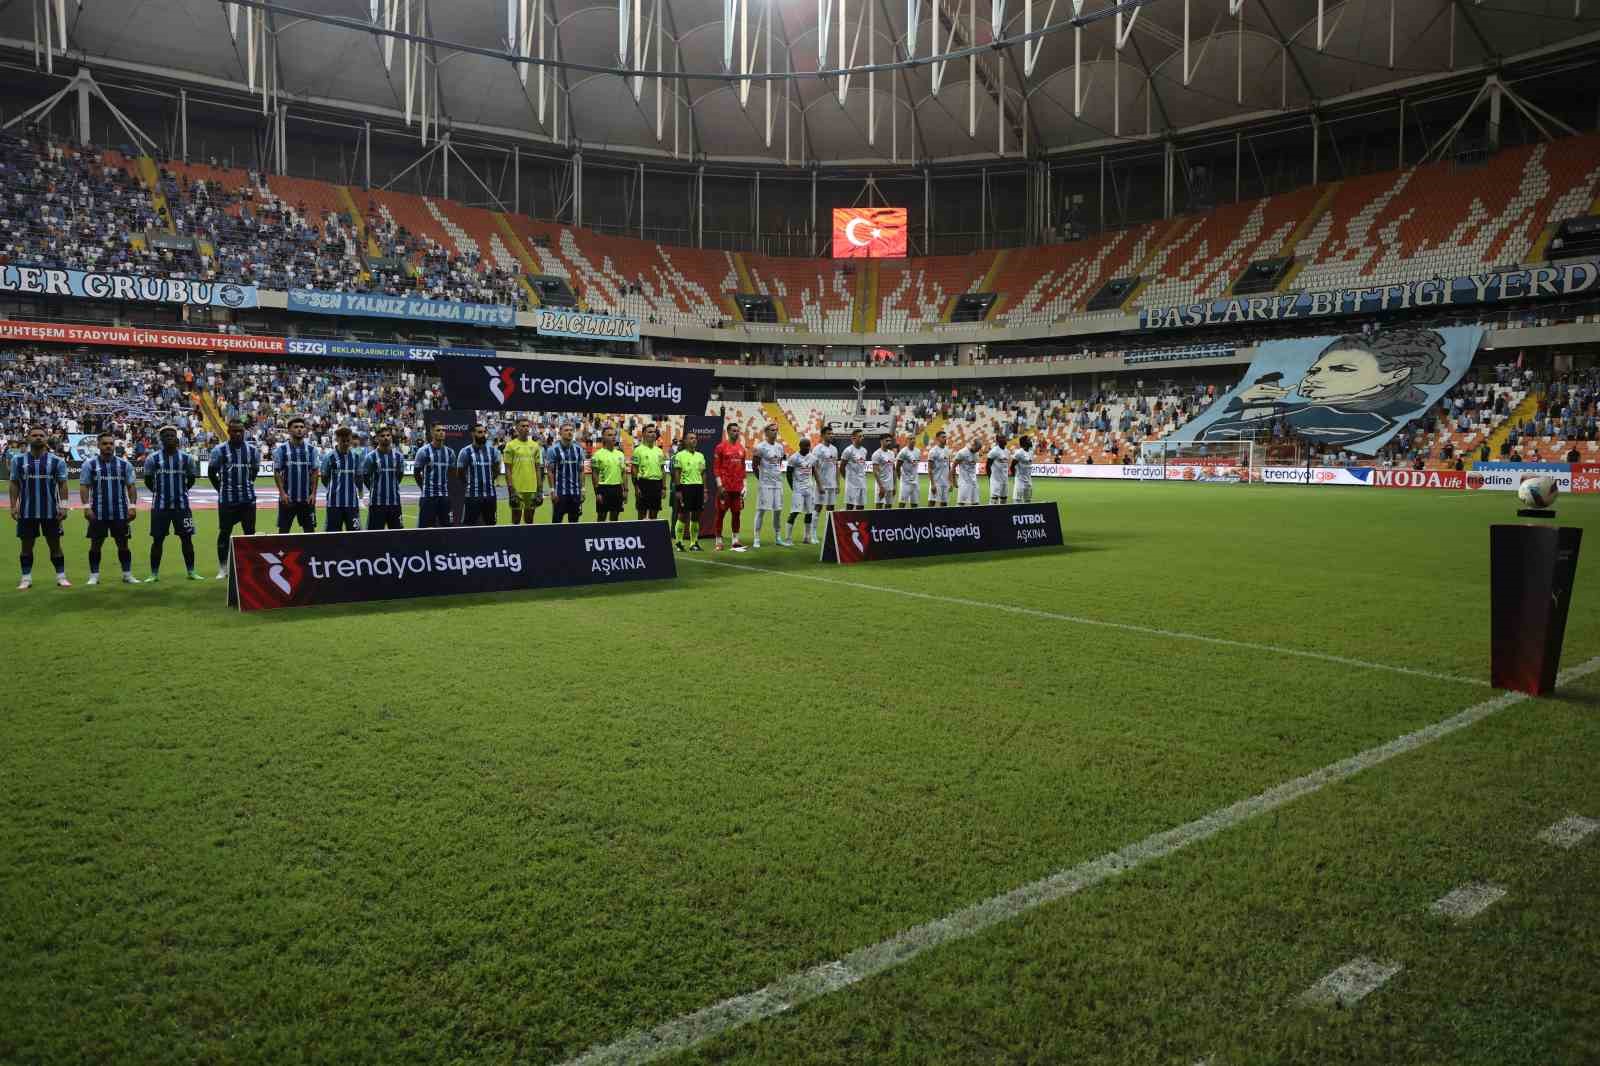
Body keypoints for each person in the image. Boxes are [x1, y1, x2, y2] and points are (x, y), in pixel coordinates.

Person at [10, 426, 71, 589]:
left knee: (55, 546)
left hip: (51, 512)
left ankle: (61, 576)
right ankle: (26, 578)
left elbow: (63, 484)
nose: (38, 438)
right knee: (26, 547)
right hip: (26, 511)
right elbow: (14, 483)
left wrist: (64, 506)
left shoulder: (57, 461)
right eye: (34, 435)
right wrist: (13, 506)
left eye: (41, 435)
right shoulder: (18, 460)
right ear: (28, 438)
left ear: (46, 438)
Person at [143, 424, 203, 582]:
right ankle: (154, 574)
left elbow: (191, 479)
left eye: (172, 435)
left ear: (176, 439)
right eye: (166, 436)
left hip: (182, 507)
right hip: (159, 507)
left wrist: (181, 491)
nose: (169, 438)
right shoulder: (153, 459)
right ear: (161, 439)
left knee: (187, 538)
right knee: (157, 539)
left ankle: (191, 571)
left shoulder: (186, 458)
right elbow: (149, 481)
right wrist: (159, 493)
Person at [80, 432, 138, 586]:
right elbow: (84, 486)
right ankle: (94, 576)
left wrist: (132, 506)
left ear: (114, 445)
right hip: (97, 512)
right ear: (98, 446)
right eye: (104, 443)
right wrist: (86, 507)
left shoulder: (124, 464)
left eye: (111, 444)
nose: (108, 446)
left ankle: (127, 574)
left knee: (123, 544)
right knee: (95, 544)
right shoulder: (89, 464)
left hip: (120, 512)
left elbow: (131, 486)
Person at [208, 418, 260, 578]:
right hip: (227, 501)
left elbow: (254, 472)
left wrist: (247, 485)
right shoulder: (220, 450)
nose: (238, 433)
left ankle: (249, 566)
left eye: (240, 431)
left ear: (244, 432)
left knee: (249, 533)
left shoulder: (252, 451)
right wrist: (221, 489)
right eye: (234, 431)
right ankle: (223, 568)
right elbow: (212, 473)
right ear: (228, 432)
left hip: (248, 500)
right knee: (224, 532)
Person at [272, 416, 320, 533]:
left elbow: (315, 472)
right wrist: (282, 493)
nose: (299, 429)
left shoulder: (312, 450)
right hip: (288, 499)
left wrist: (313, 494)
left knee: (309, 531)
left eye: (302, 427)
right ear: (289, 430)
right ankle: (283, 552)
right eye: (296, 427)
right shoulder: (281, 450)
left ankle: (310, 552)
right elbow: (277, 472)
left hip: (306, 499)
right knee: (283, 531)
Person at [457, 423, 503, 526]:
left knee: (491, 524)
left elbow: (497, 469)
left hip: (490, 495)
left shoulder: (492, 451)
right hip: (473, 496)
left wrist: (491, 479)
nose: (483, 435)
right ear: (472, 434)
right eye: (479, 432)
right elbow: (460, 472)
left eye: (484, 432)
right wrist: (469, 484)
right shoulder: (465, 452)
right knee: (469, 526)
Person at [751, 423, 789, 548]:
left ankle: (778, 537)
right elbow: (754, 465)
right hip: (765, 484)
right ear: (766, 432)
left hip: (778, 483)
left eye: (776, 430)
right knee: (761, 510)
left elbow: (780, 462)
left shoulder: (780, 447)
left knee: (778, 511)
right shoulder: (760, 447)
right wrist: (761, 479)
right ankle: (756, 538)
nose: (775, 432)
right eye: (772, 430)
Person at [362, 425, 406, 530]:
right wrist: (375, 489)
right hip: (377, 504)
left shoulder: (399, 457)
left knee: (397, 535)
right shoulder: (370, 457)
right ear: (377, 438)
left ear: (391, 437)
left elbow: (399, 476)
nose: (386, 438)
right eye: (382, 436)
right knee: (374, 536)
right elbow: (366, 477)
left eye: (388, 435)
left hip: (394, 503)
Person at [412, 423, 456, 528]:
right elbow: (416, 472)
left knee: (447, 528)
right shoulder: (423, 451)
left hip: (444, 497)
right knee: (424, 530)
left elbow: (451, 472)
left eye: (443, 430)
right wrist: (424, 487)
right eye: (438, 430)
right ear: (432, 433)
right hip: (428, 497)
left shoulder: (450, 453)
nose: (441, 432)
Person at [320, 426, 363, 532]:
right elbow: (324, 477)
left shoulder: (355, 457)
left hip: (352, 503)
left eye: (348, 440)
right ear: (337, 439)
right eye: (343, 441)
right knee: (332, 535)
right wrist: (333, 488)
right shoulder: (329, 457)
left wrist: (360, 494)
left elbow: (358, 477)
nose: (346, 443)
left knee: (355, 534)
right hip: (334, 503)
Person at [713, 423, 747, 551]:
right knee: (720, 514)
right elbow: (716, 468)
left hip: (737, 489)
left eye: (738, 431)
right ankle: (718, 540)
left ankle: (735, 540)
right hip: (725, 488)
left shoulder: (742, 449)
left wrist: (745, 486)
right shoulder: (720, 447)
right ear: (728, 432)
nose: (736, 433)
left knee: (737, 514)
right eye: (733, 430)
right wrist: (719, 485)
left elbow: (743, 469)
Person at [503, 418, 544, 524]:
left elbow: (538, 468)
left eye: (527, 426)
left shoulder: (535, 446)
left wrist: (539, 489)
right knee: (516, 520)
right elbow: (508, 469)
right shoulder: (510, 445)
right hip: (517, 489)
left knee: (529, 520)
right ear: (517, 428)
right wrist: (511, 489)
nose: (526, 428)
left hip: (532, 488)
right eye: (522, 426)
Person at [545, 422, 587, 523]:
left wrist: (583, 489)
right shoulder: (553, 450)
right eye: (566, 430)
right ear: (560, 433)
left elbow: (581, 471)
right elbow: (550, 471)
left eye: (571, 430)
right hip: (559, 494)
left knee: (574, 523)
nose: (569, 432)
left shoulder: (578, 450)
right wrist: (552, 490)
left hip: (575, 493)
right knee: (557, 523)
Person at [671, 429, 707, 551]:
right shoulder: (679, 455)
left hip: (698, 487)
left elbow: (703, 473)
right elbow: (676, 473)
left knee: (696, 516)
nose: (694, 440)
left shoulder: (700, 456)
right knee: (682, 515)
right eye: (691, 438)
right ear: (685, 441)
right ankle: (679, 542)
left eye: (695, 438)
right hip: (686, 487)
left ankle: (693, 543)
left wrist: (705, 489)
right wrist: (678, 489)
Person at [785, 437, 821, 545]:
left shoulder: (812, 458)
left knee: (809, 512)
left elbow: (814, 471)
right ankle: (788, 538)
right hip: (798, 489)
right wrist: (793, 487)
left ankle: (807, 537)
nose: (808, 448)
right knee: (795, 512)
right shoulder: (794, 458)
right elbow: (788, 474)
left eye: (809, 446)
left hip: (809, 488)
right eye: (806, 446)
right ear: (800, 446)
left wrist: (820, 485)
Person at [590, 426, 628, 522]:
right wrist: (597, 492)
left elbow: (624, 473)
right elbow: (594, 475)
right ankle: (599, 536)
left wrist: (625, 490)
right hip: (603, 488)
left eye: (614, 435)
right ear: (603, 438)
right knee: (602, 516)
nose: (613, 437)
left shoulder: (620, 454)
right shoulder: (597, 455)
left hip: (617, 488)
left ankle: (613, 535)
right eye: (610, 435)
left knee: (615, 516)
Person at [631, 423, 667, 520]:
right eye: (650, 432)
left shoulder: (659, 451)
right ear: (643, 434)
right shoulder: (638, 450)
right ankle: (640, 534)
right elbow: (634, 469)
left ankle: (652, 534)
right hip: (643, 484)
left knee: (654, 514)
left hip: (657, 484)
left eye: (654, 432)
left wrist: (664, 487)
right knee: (642, 514)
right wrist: (636, 487)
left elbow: (662, 470)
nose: (653, 434)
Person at [812, 426, 840, 520]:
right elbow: (814, 467)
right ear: (822, 435)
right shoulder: (817, 449)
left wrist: (838, 484)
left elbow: (836, 466)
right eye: (829, 434)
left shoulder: (834, 449)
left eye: (832, 434)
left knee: (831, 508)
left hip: (832, 484)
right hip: (822, 484)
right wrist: (819, 485)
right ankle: (813, 532)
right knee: (818, 507)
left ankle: (829, 532)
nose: (831, 435)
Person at [840, 429, 870, 511]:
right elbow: (842, 467)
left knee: (861, 507)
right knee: (850, 507)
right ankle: (847, 523)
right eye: (860, 436)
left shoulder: (864, 450)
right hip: (851, 484)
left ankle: (860, 523)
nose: (862, 438)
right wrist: (847, 479)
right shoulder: (848, 450)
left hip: (862, 482)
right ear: (853, 438)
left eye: (863, 436)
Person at [953, 436, 982, 505]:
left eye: (979, 449)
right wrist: (954, 481)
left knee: (976, 503)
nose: (977, 450)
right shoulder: (962, 453)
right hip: (964, 482)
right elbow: (953, 467)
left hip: (974, 482)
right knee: (961, 503)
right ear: (973, 445)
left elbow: (980, 454)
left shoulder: (976, 454)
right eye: (977, 448)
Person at [926, 430, 952, 507]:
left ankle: (943, 518)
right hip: (936, 482)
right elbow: (930, 469)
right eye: (943, 437)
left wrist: (950, 482)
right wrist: (933, 484)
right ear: (937, 438)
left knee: (944, 503)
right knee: (932, 502)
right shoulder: (933, 451)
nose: (945, 438)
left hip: (945, 482)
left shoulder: (947, 450)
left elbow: (949, 467)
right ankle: (927, 518)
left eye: (945, 437)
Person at [871, 435, 898, 508]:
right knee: (879, 507)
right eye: (887, 441)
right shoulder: (877, 454)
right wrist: (881, 487)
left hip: (890, 485)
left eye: (890, 441)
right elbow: (875, 471)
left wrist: (894, 486)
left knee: (889, 507)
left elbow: (894, 469)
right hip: (881, 485)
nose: (889, 442)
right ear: (881, 441)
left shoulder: (892, 453)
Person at [895, 437, 921, 508]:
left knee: (915, 503)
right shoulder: (903, 452)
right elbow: (897, 467)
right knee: (902, 503)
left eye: (914, 439)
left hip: (915, 481)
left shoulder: (918, 451)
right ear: (907, 441)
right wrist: (901, 478)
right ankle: (900, 518)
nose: (913, 440)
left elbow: (915, 465)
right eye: (910, 439)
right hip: (905, 482)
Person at [987, 435, 1012, 503]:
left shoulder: (1007, 451)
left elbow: (1006, 465)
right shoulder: (994, 451)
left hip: (1004, 479)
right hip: (996, 480)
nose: (1005, 439)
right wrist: (990, 479)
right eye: (1002, 438)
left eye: (1005, 437)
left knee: (1004, 499)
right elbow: (988, 466)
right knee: (994, 500)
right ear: (998, 440)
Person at [1011, 435, 1035, 503]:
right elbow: (1012, 466)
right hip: (1020, 480)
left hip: (1028, 480)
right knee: (1017, 500)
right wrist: (1015, 477)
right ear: (1024, 443)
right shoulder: (1019, 453)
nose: (1030, 441)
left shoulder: (1031, 451)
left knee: (1028, 500)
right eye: (1028, 440)